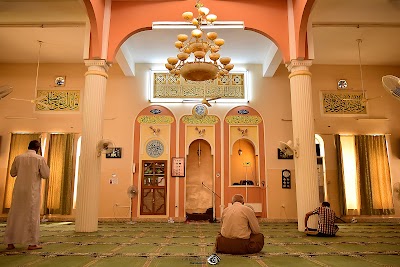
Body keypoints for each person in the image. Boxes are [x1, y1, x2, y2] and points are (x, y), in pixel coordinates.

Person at [4, 140, 50, 250]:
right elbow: (46, 174)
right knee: (31, 216)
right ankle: (32, 243)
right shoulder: (39, 159)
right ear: (38, 148)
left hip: (19, 191)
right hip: (32, 192)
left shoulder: (18, 157)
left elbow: (12, 173)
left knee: (15, 214)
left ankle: (10, 242)